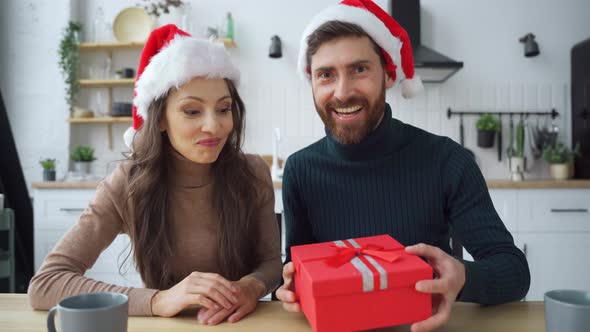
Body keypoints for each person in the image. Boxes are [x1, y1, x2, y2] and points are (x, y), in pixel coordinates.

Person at [275, 1, 530, 331]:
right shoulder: (299, 170)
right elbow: (296, 269)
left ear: (389, 74)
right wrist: (288, 287)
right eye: (326, 75)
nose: (343, 92)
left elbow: (514, 271)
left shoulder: (447, 161)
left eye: (359, 69)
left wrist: (462, 276)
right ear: (312, 83)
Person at [28, 24, 282, 325]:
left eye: (223, 109)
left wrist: (250, 287)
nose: (214, 127)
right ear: (159, 118)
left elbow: (270, 265)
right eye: (192, 111)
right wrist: (158, 300)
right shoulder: (127, 183)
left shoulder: (252, 173)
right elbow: (46, 283)